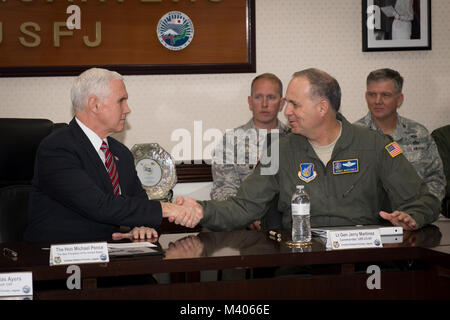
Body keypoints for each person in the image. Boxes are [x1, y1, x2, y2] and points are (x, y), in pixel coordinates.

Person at [176, 68, 440, 232]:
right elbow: (243, 206)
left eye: (294, 104)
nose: (286, 110)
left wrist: (413, 216)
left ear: (322, 108)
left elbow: (425, 199)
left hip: (363, 258)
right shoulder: (278, 151)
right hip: (302, 259)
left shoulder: (375, 146)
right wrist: (201, 210)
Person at [25, 68, 197, 242]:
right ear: (94, 105)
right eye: (121, 101)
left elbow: (138, 203)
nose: (128, 109)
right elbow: (99, 205)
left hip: (112, 256)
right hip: (61, 259)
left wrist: (142, 226)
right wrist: (168, 209)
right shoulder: (57, 148)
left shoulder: (120, 153)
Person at [210, 73, 290, 230]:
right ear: (250, 102)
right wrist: (248, 215)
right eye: (258, 97)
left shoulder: (294, 139)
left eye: (271, 97)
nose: (264, 104)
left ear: (281, 104)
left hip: (288, 224)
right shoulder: (230, 141)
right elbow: (223, 190)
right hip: (244, 228)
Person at [355, 68, 446, 204]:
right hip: (370, 219)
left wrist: (419, 211)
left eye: (385, 95)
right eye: (372, 94)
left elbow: (436, 179)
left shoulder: (419, 133)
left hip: (416, 216)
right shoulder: (354, 135)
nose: (377, 101)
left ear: (399, 99)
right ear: (366, 96)